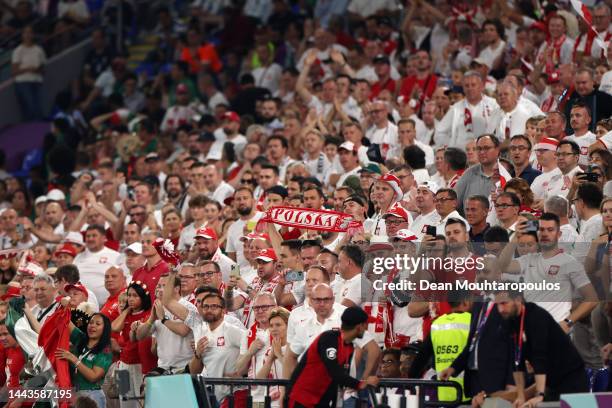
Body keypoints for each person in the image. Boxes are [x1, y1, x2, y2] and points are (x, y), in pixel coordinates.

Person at [495, 288, 590, 405]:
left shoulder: (536, 316)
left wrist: (540, 394)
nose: (500, 309)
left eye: (504, 303)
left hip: (572, 378)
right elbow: (517, 361)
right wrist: (520, 396)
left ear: (518, 300)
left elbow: (539, 356)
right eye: (498, 305)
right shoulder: (510, 321)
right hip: (551, 382)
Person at [286, 306, 379, 407]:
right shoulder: (329, 339)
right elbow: (334, 371)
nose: (366, 329)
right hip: (301, 399)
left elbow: (339, 376)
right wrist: (360, 384)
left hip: (320, 400)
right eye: (366, 325)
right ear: (359, 327)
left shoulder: (349, 346)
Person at [55, 309, 113, 408]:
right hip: (74, 394)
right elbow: (65, 320)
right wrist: (64, 306)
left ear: (105, 329)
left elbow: (93, 377)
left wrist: (74, 359)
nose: (92, 325)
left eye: (97, 324)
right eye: (91, 322)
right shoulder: (80, 338)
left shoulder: (105, 351)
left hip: (92, 397)